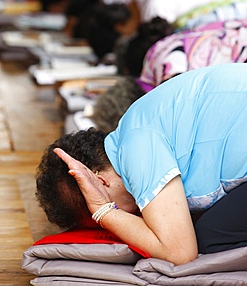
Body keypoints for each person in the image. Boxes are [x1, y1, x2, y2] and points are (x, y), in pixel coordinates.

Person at [36, 63, 247, 265]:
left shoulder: (135, 149)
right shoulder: (132, 128)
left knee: (212, 236)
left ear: (100, 182)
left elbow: (181, 252)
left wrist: (104, 211)